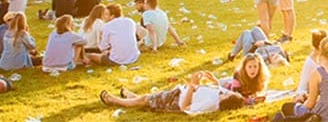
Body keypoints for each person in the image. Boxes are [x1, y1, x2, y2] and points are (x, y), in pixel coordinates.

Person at [100, 70, 246, 114]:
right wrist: (213, 79)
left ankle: (114, 101)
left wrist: (192, 85)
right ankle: (131, 96)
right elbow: (213, 88)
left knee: (146, 100)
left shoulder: (210, 104)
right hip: (177, 92)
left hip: (175, 100)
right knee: (149, 98)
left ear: (227, 101)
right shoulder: (219, 95)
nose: (226, 91)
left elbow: (185, 107)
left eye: (229, 94)